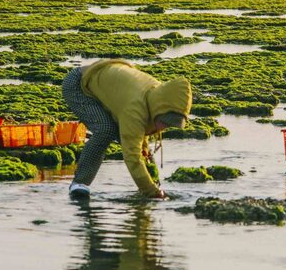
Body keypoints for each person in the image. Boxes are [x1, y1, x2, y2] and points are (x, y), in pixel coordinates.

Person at [61, 59, 192, 199]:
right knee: (106, 129)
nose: (163, 128)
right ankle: (79, 184)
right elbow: (132, 156)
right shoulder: (135, 108)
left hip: (110, 85)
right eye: (163, 121)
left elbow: (140, 142)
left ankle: (154, 183)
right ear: (159, 110)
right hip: (79, 85)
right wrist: (151, 193)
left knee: (140, 146)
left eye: (168, 125)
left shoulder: (158, 96)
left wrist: (154, 187)